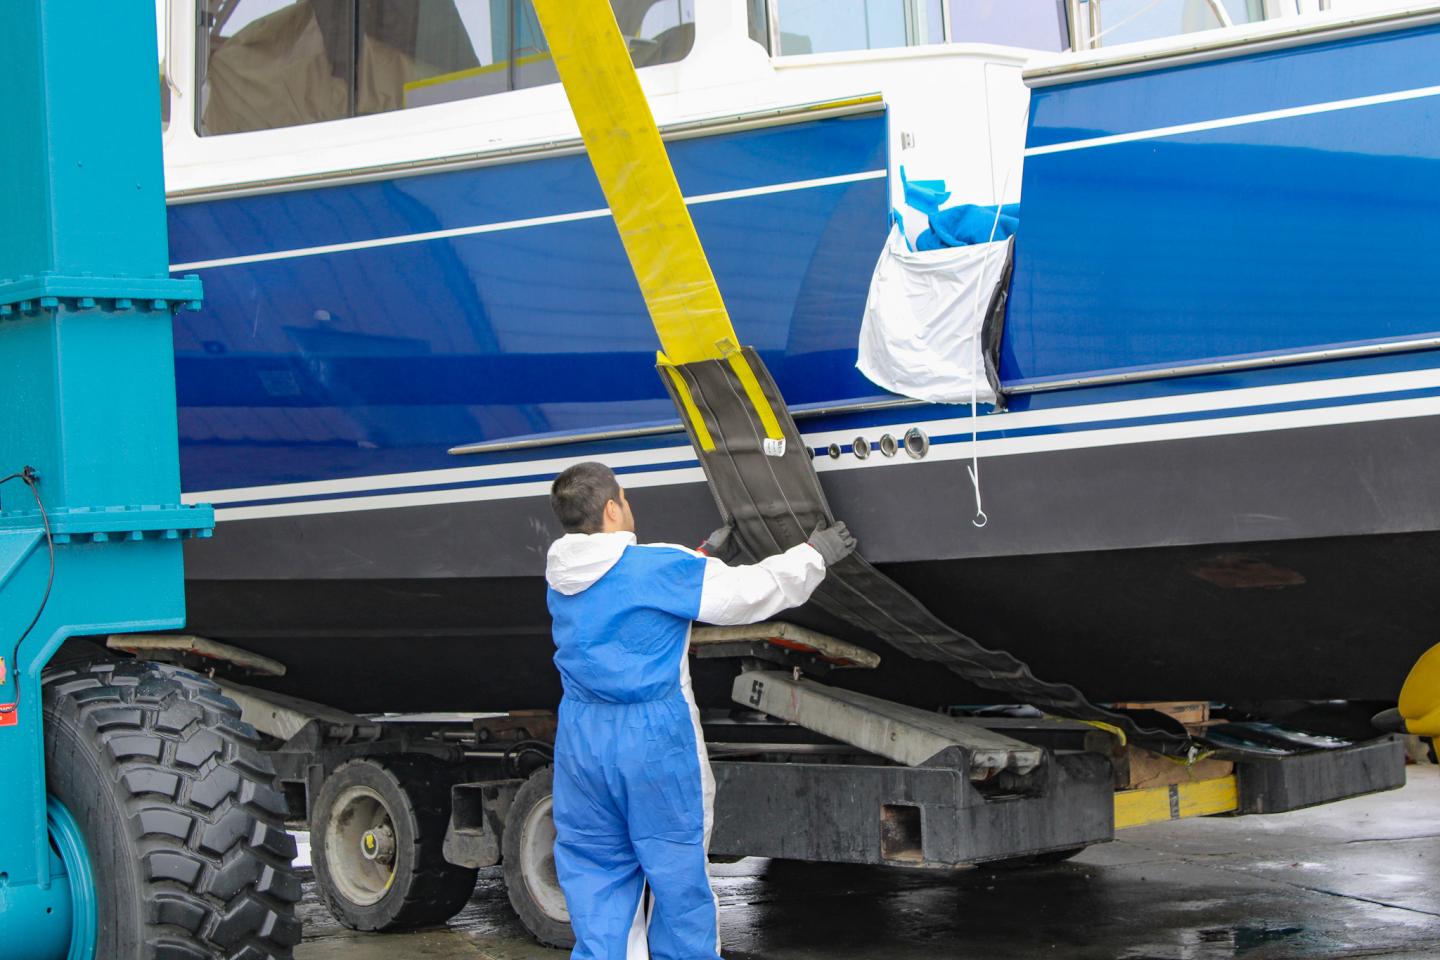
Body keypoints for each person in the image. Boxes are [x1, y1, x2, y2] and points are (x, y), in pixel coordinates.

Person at [544, 461, 856, 960]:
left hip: (582, 741)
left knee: (597, 876)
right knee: (675, 878)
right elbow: (747, 594)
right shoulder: (657, 567)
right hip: (650, 741)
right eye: (624, 498)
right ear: (610, 507)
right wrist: (813, 556)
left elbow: (626, 593)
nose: (629, 505)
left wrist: (702, 557)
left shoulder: (561, 576)